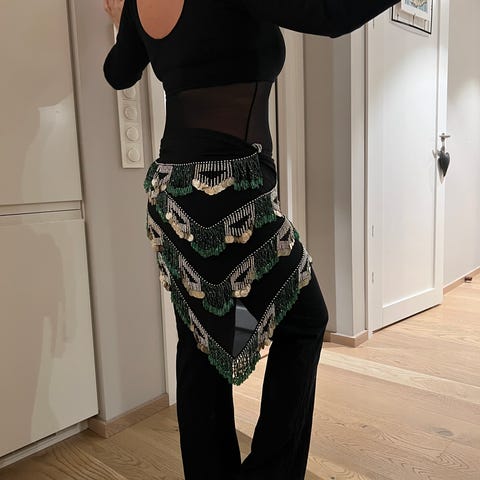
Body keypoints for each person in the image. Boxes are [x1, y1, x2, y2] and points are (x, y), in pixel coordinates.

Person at [103, 1, 397, 478]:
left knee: (200, 341)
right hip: (232, 193)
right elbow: (330, 16)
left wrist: (124, 24)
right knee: (306, 318)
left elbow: (118, 73)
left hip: (173, 194)